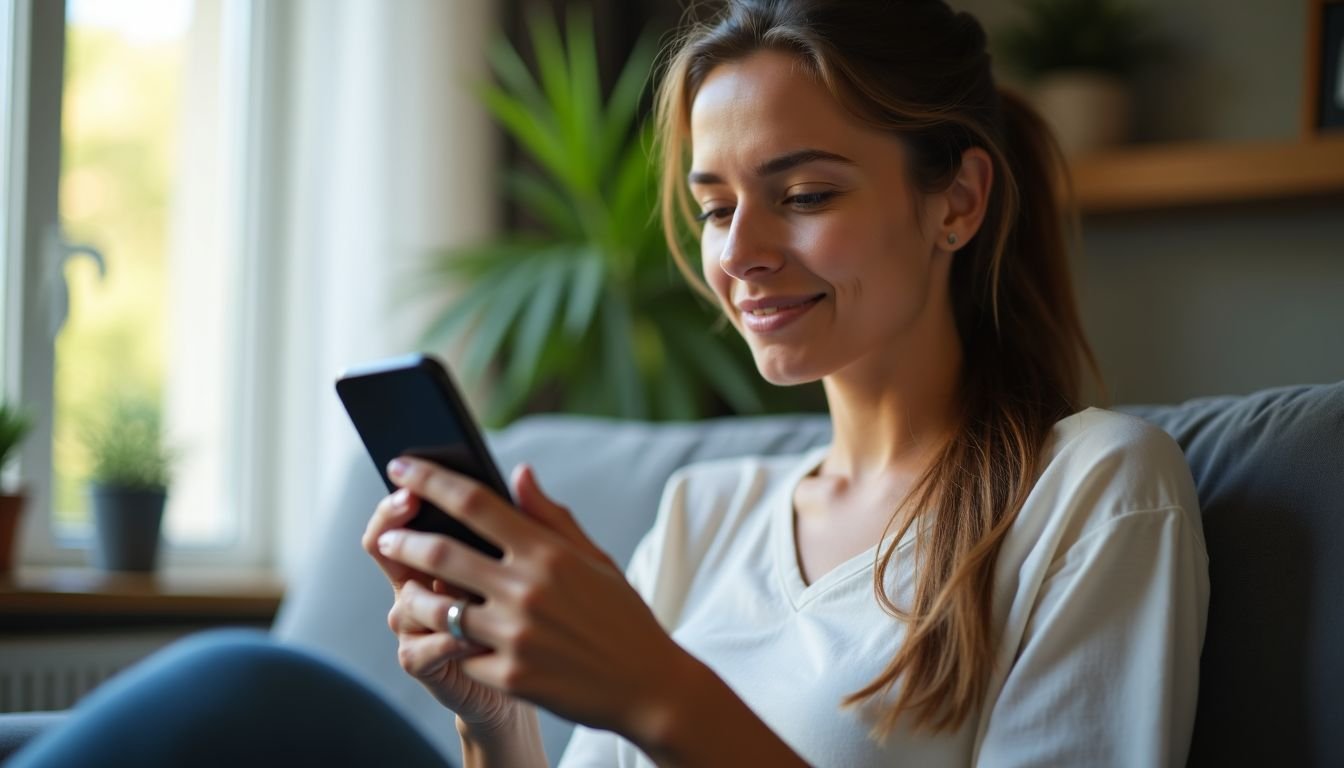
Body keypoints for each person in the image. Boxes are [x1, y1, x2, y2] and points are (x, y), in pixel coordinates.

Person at [8, 1, 1208, 766]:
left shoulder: (1094, 490)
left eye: (804, 194)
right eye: (717, 204)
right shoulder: (713, 516)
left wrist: (656, 687)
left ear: (958, 198)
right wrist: (494, 718)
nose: (738, 255)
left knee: (239, 691)